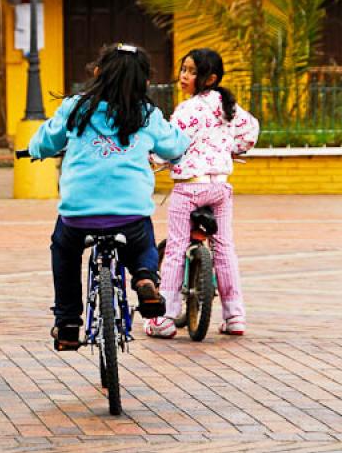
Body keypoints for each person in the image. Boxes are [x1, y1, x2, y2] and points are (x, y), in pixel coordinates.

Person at [28, 43, 190, 351]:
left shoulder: (76, 107)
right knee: (142, 240)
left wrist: (36, 151)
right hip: (129, 213)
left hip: (78, 214)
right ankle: (144, 278)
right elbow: (174, 146)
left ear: (98, 73)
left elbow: (46, 140)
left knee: (63, 249)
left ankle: (68, 323)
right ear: (143, 81)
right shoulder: (146, 113)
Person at [144, 48, 259, 340]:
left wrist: (155, 159)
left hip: (190, 188)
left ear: (210, 78)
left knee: (175, 249)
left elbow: (171, 145)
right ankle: (234, 316)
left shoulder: (187, 109)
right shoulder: (227, 104)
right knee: (225, 248)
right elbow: (250, 132)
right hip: (220, 187)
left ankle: (164, 318)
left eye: (192, 71)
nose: (184, 76)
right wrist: (230, 149)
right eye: (183, 69)